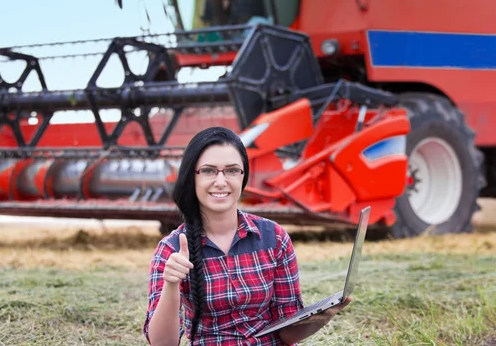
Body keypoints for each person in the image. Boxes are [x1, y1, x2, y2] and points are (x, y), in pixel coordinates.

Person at [143, 126, 351, 346]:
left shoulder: (274, 238)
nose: (221, 181)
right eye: (208, 171)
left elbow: (288, 334)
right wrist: (171, 284)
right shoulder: (171, 249)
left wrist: (323, 315)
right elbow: (162, 343)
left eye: (232, 170)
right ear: (191, 176)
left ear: (243, 176)